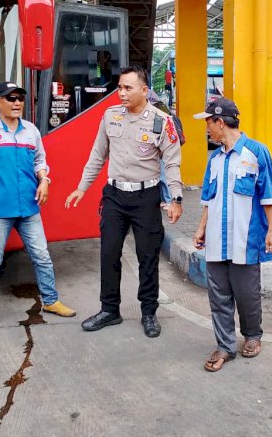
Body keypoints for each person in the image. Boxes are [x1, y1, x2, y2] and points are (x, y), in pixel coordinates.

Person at [65, 66, 183, 338]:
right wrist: (81, 188)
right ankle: (109, 310)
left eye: (128, 88)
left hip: (146, 197)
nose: (121, 93)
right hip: (115, 196)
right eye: (119, 87)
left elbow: (173, 163)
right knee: (108, 253)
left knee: (147, 256)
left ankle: (149, 312)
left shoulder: (161, 122)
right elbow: (97, 156)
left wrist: (175, 198)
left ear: (144, 90)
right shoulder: (110, 117)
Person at [0, 82, 75, 333]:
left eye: (20, 99)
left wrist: (44, 180)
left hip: (29, 208)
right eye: (10, 98)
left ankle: (50, 301)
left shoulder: (31, 131)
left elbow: (40, 160)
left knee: (42, 257)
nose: (16, 103)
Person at [192, 98, 272, 372]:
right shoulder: (214, 160)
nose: (206, 129)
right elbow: (208, 198)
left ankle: (252, 335)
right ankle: (225, 346)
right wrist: (201, 228)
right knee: (218, 296)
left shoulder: (256, 152)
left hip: (246, 239)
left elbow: (268, 196)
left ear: (220, 121)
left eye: (208, 123)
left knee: (246, 294)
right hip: (217, 240)